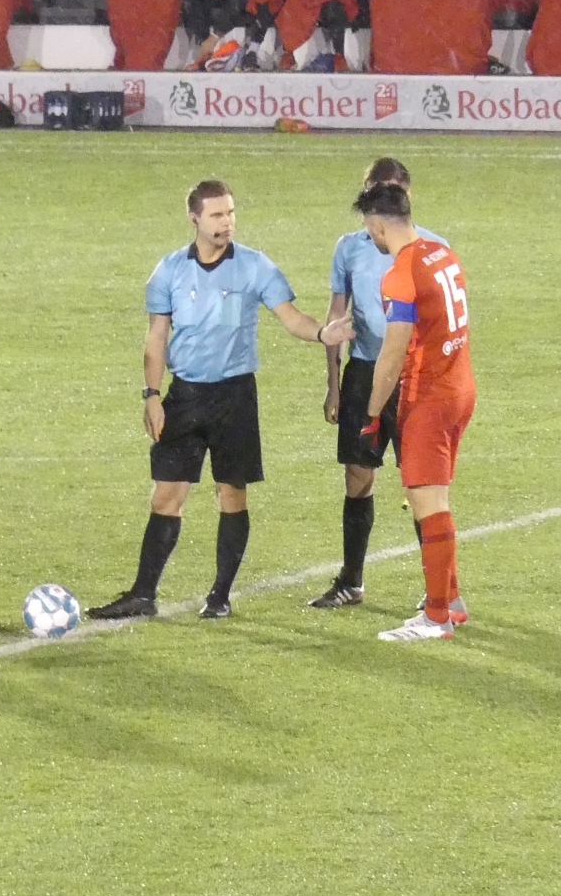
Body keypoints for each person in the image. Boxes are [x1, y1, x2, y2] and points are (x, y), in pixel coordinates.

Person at [88, 180, 353, 622]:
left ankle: (220, 595)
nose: (226, 222)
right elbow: (156, 337)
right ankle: (143, 594)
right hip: (185, 396)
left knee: (232, 494)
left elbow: (290, 317)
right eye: (216, 215)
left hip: (235, 397)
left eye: (230, 213)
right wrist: (152, 395)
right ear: (194, 218)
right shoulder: (169, 271)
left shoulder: (255, 266)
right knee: (165, 496)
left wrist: (323, 333)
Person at [309, 159, 452, 614]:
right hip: (364, 373)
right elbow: (336, 316)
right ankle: (351, 580)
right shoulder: (349, 248)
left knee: (422, 486)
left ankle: (439, 592)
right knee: (358, 476)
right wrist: (334, 384)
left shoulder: (432, 249)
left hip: (413, 378)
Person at [354, 183, 477, 643]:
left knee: (428, 502)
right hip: (460, 386)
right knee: (434, 495)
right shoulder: (443, 254)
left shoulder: (400, 274)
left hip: (431, 397)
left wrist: (372, 413)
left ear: (377, 223)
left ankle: (437, 617)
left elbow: (393, 352)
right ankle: (451, 599)